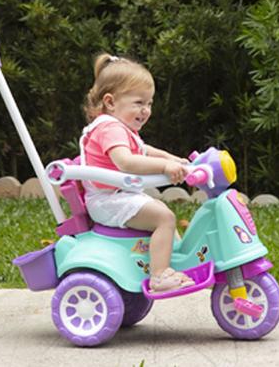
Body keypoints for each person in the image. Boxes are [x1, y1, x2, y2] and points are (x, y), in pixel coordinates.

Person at [81, 53, 195, 293]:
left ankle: (168, 262)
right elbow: (126, 162)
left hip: (117, 197)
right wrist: (165, 167)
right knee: (164, 218)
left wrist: (174, 159)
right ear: (111, 102)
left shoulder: (120, 128)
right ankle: (160, 275)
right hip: (107, 201)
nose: (146, 110)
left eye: (149, 103)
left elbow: (145, 150)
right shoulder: (109, 128)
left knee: (163, 214)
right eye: (139, 103)